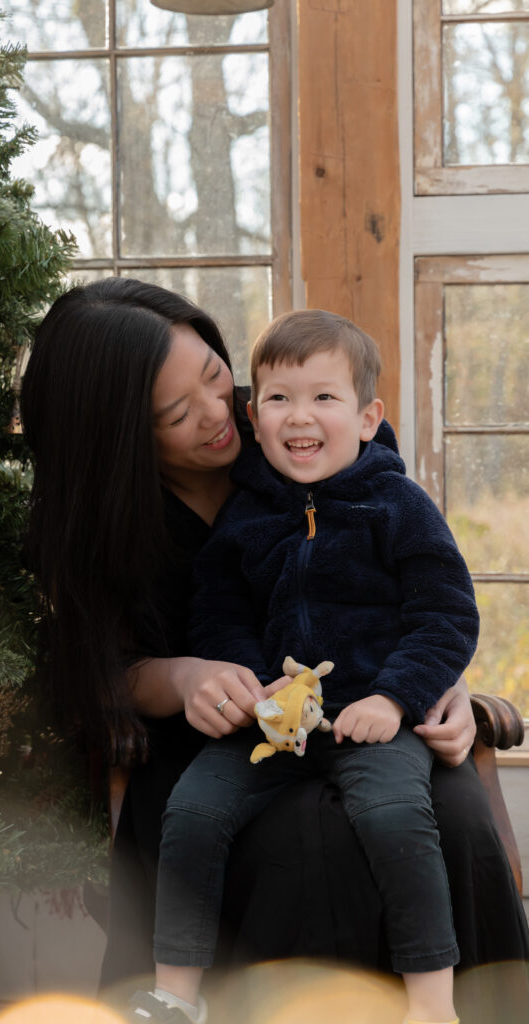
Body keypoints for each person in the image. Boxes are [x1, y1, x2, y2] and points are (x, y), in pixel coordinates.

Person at [19, 279, 528, 1021]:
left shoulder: (302, 424)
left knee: (440, 806)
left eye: (216, 376)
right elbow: (99, 675)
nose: (218, 415)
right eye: (175, 412)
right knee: (303, 835)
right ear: (119, 435)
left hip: (367, 711)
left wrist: (429, 689)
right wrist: (182, 675)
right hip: (220, 738)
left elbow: (413, 591)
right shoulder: (102, 527)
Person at [134, 310, 480, 1024]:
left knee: (395, 818)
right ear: (254, 417)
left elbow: (444, 615)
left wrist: (393, 698)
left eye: (323, 397)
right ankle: (174, 996)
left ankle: (431, 1003)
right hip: (272, 722)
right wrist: (249, 683)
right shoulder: (245, 518)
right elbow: (218, 613)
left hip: (371, 719)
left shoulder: (397, 507)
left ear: (365, 416)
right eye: (278, 399)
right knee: (193, 812)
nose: (300, 416)